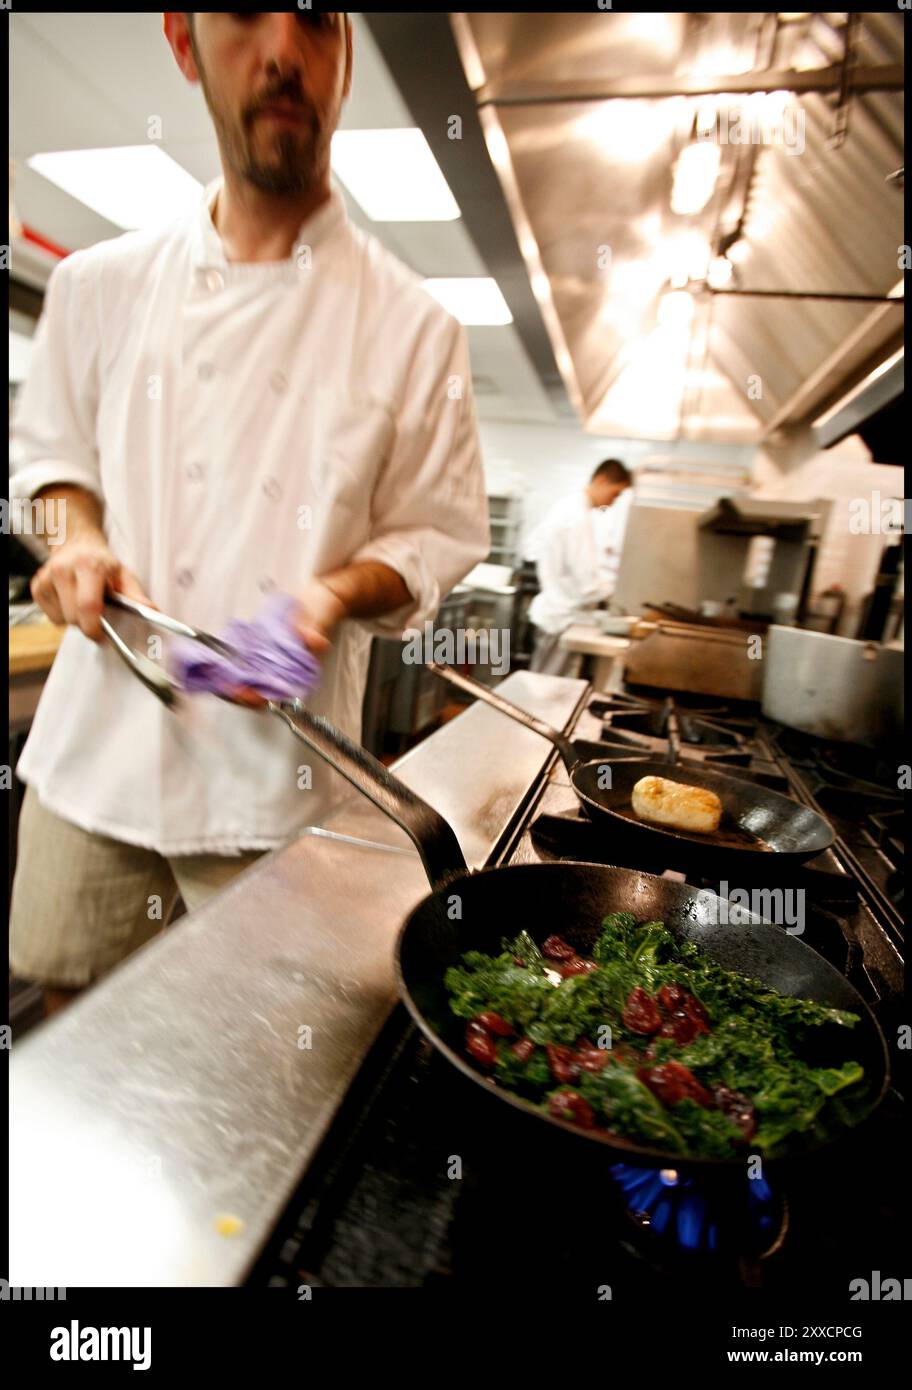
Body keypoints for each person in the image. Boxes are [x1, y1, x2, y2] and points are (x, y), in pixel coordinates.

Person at [8, 12, 489, 1017]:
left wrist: (330, 592)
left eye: (314, 18)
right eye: (244, 16)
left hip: (279, 787)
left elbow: (437, 533)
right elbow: (44, 467)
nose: (282, 49)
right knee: (65, 1012)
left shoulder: (416, 327)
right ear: (184, 44)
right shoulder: (98, 286)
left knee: (264, 1053)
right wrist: (77, 543)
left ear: (346, 52)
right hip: (96, 763)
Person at [525, 459, 632, 675]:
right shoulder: (575, 517)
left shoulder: (572, 508)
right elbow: (587, 582)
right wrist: (618, 591)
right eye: (615, 493)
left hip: (558, 613)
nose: (613, 502)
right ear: (601, 480)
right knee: (546, 684)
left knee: (544, 680)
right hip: (561, 615)